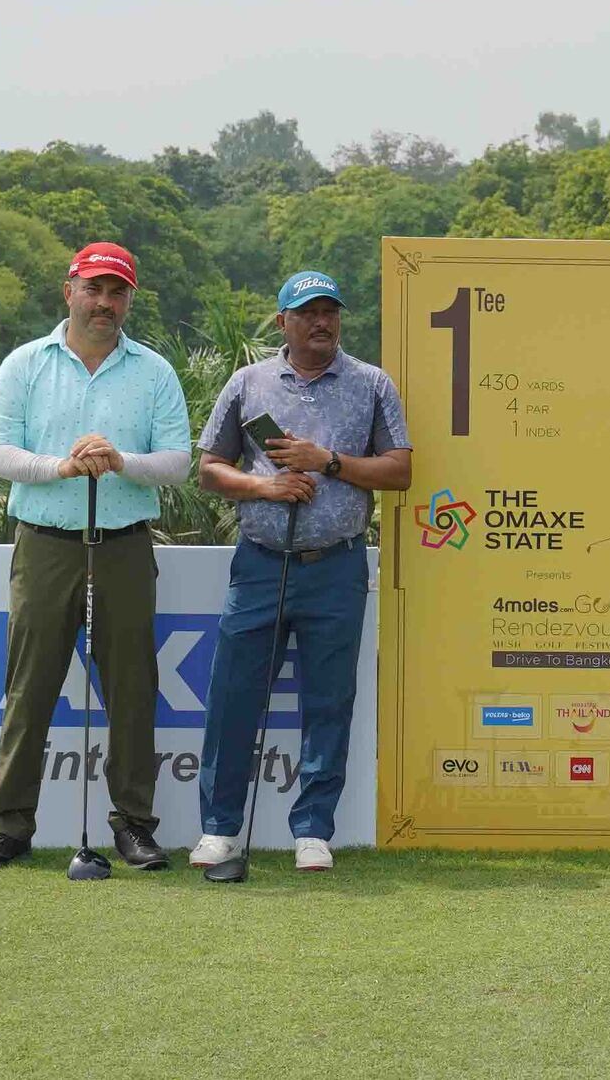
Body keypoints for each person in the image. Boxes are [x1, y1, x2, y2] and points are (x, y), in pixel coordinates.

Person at [0, 242, 193, 871]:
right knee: (30, 688)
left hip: (123, 544)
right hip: (44, 544)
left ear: (130, 299)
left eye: (117, 293)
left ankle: (135, 825)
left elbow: (177, 463)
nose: (104, 303)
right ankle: (10, 826)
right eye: (94, 289)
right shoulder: (26, 364)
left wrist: (121, 461)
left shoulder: (154, 372)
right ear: (69, 290)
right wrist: (61, 466)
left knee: (131, 691)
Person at [189, 270, 412, 873]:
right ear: (282, 320)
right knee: (235, 696)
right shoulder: (248, 382)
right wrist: (265, 485)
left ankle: (313, 829)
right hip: (261, 563)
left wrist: (328, 462)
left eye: (330, 312)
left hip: (336, 567)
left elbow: (398, 471)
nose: (322, 323)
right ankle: (220, 828)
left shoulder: (371, 384)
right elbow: (210, 470)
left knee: (328, 700)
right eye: (308, 313)